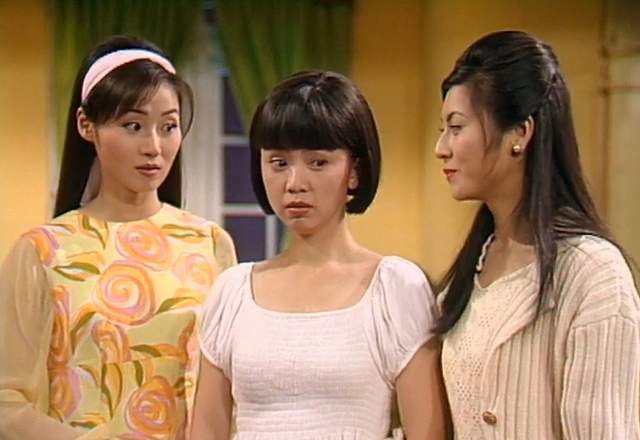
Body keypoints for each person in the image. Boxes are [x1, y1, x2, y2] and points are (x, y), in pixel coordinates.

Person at [0, 35, 236, 439]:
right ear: (86, 125)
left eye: (168, 127)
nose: (154, 146)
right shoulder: (42, 251)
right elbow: (7, 404)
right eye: (133, 126)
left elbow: (233, 392)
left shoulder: (210, 245)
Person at [191, 70, 449, 439]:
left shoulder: (395, 288)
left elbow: (427, 432)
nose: (294, 183)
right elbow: (206, 429)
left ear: (354, 171)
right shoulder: (231, 292)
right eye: (279, 163)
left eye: (318, 162)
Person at [434, 30, 640, 439]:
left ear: (521, 133)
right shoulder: (466, 276)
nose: (442, 147)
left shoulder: (592, 274)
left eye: (456, 127)